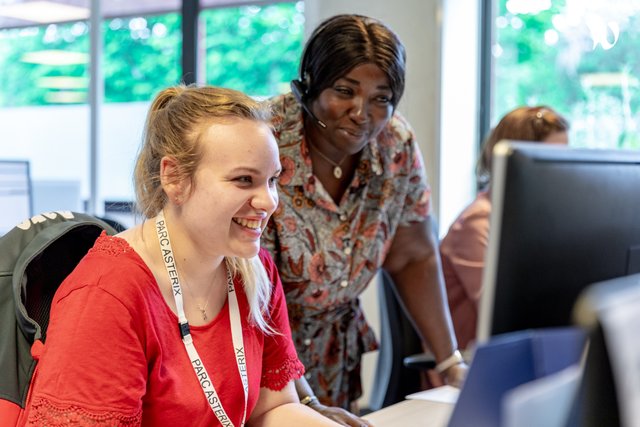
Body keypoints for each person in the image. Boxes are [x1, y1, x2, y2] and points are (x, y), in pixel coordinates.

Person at [24, 85, 342, 427]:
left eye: (272, 180)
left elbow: (272, 409)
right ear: (174, 178)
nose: (268, 202)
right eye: (244, 180)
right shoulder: (108, 294)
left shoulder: (254, 272)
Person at [262, 14, 466, 425]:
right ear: (310, 84)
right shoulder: (263, 136)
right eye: (344, 91)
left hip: (335, 356)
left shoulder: (395, 147)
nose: (362, 113)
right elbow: (241, 285)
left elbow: (413, 258)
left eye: (381, 98)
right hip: (260, 357)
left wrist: (451, 364)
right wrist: (303, 404)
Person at [440, 105, 570, 351]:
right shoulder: (478, 222)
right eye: (551, 161)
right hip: (470, 368)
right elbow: (505, 315)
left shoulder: (539, 220)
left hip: (524, 354)